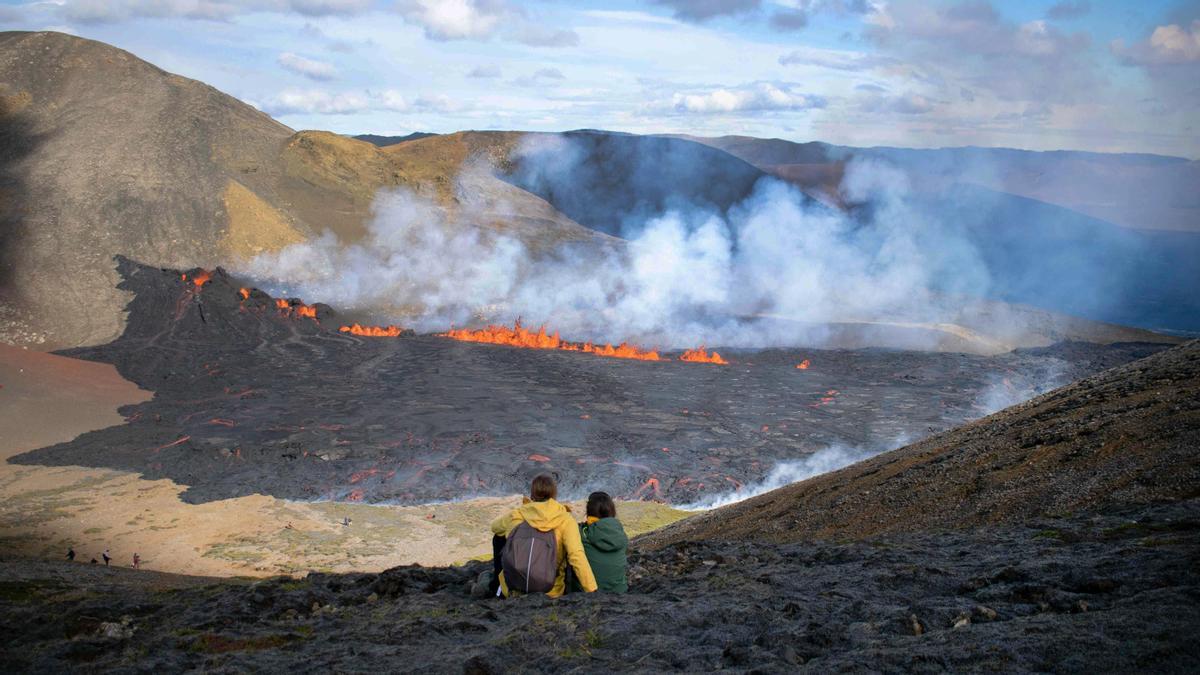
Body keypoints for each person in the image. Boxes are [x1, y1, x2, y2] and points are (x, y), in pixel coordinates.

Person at [488, 474, 597, 598]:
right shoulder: (565, 520)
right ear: (554, 494)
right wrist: (592, 591)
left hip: (514, 589)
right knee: (569, 550)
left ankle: (497, 585)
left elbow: (495, 527)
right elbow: (576, 556)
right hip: (551, 591)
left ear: (532, 494)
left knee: (498, 537)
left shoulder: (518, 515)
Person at [568, 492, 629, 594]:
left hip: (585, 594)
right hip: (619, 591)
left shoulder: (580, 533)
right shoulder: (620, 533)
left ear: (588, 511)